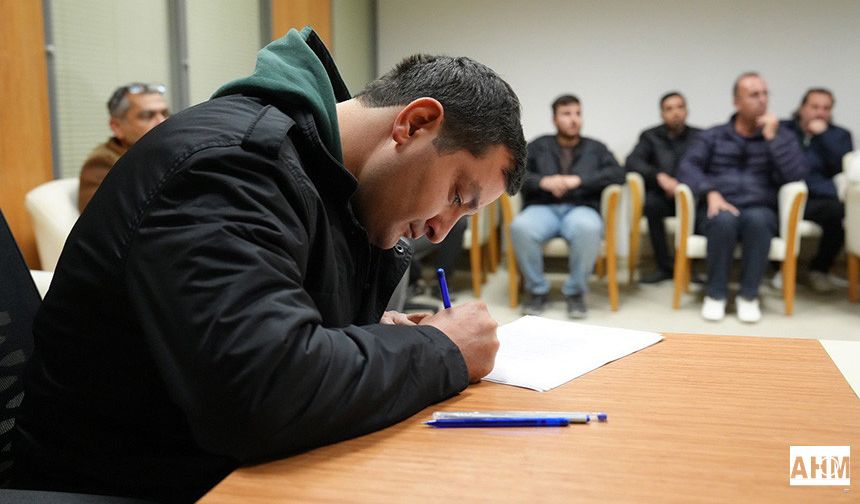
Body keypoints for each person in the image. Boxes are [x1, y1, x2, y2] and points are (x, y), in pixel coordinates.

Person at [13, 28, 526, 502]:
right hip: (129, 482)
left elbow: (276, 331)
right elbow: (259, 395)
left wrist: (375, 335)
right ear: (414, 123)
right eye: (457, 195)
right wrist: (440, 350)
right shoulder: (233, 168)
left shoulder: (330, 186)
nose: (442, 229)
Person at [678, 72, 806, 323]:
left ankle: (749, 296)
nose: (762, 100)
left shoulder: (781, 136)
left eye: (765, 94)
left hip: (759, 207)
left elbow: (797, 175)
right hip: (720, 203)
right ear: (736, 101)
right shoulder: (713, 135)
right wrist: (710, 192)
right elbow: (687, 167)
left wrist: (773, 140)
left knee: (758, 221)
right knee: (722, 220)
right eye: (754, 94)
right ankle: (715, 294)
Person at [510, 94, 625, 318]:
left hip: (581, 207)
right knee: (520, 227)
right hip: (543, 207)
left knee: (588, 228)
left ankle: (575, 292)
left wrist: (579, 180)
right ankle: (537, 291)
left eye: (578, 114)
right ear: (554, 119)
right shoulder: (538, 145)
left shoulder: (597, 148)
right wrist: (543, 181)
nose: (574, 119)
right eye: (566, 114)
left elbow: (618, 173)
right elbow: (515, 173)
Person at [780, 88, 854, 292]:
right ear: (802, 108)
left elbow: (842, 168)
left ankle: (819, 269)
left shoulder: (839, 135)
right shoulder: (783, 129)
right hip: (783, 195)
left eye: (826, 108)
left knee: (839, 212)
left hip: (818, 199)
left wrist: (823, 136)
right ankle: (780, 269)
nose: (820, 112)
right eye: (814, 107)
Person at [626, 92, 701, 283]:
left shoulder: (700, 137)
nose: (675, 113)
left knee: (703, 208)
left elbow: (709, 166)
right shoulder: (650, 136)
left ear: (687, 111)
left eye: (679, 107)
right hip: (662, 196)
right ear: (662, 114)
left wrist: (684, 184)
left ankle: (691, 267)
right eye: (669, 109)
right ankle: (664, 266)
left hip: (692, 196)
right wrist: (658, 176)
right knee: (651, 205)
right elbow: (632, 161)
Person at [78, 83, 170, 211]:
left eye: (165, 113)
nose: (162, 122)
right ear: (116, 126)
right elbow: (101, 222)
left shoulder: (172, 152)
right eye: (147, 116)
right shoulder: (102, 163)